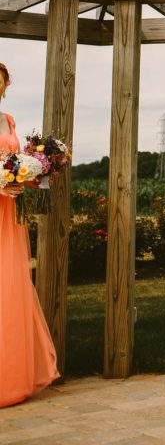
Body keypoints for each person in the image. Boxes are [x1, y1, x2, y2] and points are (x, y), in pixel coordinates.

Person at [0, 62, 59, 407]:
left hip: (10, 213)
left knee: (10, 281)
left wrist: (33, 172)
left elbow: (12, 161)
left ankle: (10, 374)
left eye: (0, 82)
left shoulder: (8, 120)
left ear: (6, 86)